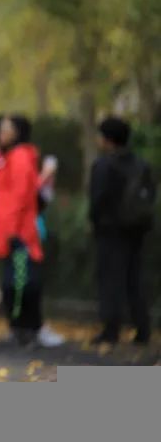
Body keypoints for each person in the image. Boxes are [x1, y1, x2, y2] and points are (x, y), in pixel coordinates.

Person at [0, 115, 62, 347]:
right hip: (11, 231)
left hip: (18, 234)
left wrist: (11, 232)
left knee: (21, 283)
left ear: (18, 132)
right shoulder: (5, 158)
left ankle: (30, 328)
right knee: (17, 282)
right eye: (0, 128)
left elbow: (21, 198)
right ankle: (22, 328)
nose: (2, 132)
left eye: (7, 129)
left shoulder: (19, 157)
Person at [89, 117, 153, 346]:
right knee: (134, 278)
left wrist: (95, 224)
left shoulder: (104, 165)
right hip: (136, 230)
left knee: (110, 279)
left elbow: (98, 200)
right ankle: (142, 327)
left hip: (110, 231)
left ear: (107, 140)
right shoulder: (141, 164)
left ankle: (110, 329)